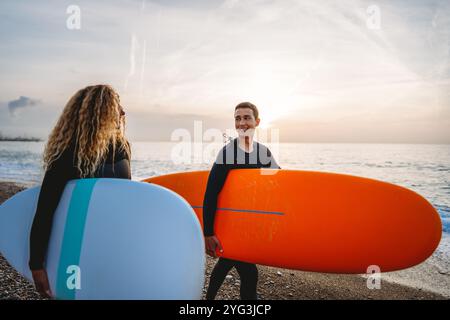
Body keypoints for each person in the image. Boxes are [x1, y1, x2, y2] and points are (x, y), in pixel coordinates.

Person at [29, 84, 132, 298]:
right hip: (77, 242)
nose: (123, 111)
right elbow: (45, 211)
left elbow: (126, 197)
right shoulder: (68, 155)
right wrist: (36, 265)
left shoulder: (121, 147)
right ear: (100, 111)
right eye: (116, 105)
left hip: (112, 242)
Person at [203, 102, 280, 300]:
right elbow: (211, 193)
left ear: (257, 122)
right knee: (249, 272)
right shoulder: (228, 152)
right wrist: (208, 232)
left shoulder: (263, 152)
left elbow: (279, 181)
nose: (242, 123)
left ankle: (207, 299)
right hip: (230, 222)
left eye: (246, 118)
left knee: (227, 262)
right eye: (238, 118)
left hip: (250, 223)